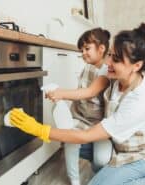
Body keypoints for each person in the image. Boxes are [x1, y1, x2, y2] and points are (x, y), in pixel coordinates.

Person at [9, 23, 145, 185]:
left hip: (141, 155)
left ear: (136, 66)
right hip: (119, 144)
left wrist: (38, 129)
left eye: (115, 59)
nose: (108, 62)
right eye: (110, 55)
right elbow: (89, 91)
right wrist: (60, 93)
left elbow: (86, 136)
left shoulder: (140, 100)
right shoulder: (112, 75)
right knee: (70, 143)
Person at [47, 27, 112, 185]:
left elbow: (89, 92)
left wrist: (60, 93)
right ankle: (74, 180)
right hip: (79, 118)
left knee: (101, 159)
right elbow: (79, 92)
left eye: (87, 48)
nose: (83, 53)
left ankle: (97, 174)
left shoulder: (106, 71)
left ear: (101, 48)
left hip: (98, 125)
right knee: (71, 141)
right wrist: (60, 100)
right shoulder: (88, 66)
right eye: (81, 50)